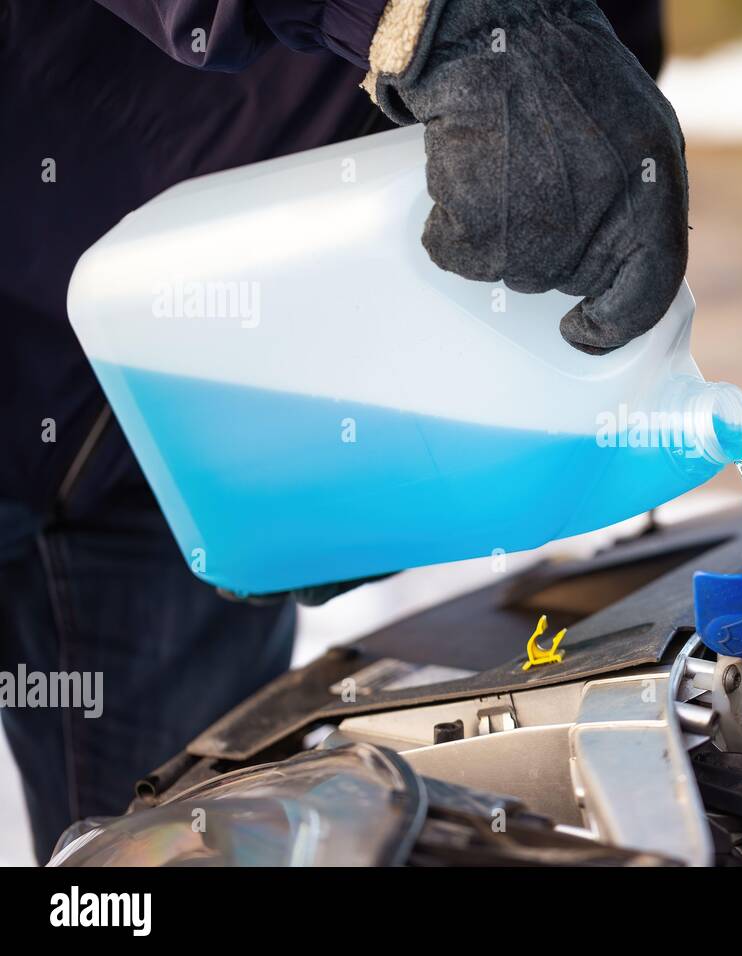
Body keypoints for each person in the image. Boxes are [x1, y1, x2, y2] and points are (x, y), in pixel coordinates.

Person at [0, 0, 687, 862]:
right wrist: (445, 20)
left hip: (206, 406)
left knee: (186, 833)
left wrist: (579, 99)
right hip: (66, 258)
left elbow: (576, 79)